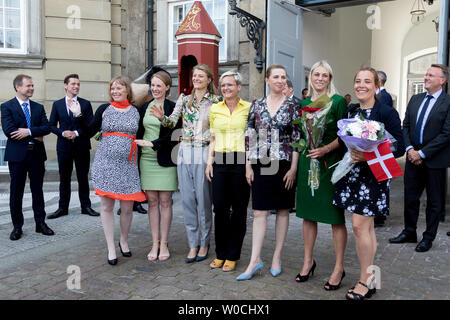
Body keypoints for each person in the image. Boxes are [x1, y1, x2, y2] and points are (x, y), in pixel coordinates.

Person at [333, 68, 405, 300]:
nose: (361, 85)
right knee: (367, 229)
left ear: (376, 85)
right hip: (353, 176)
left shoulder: (386, 112)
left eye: (366, 81)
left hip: (373, 176)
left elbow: (399, 147)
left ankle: (365, 281)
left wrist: (368, 156)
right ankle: (371, 277)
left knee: (358, 226)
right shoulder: (352, 111)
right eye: (357, 81)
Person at [68, 75, 146, 265]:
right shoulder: (104, 109)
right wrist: (78, 115)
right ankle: (111, 247)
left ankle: (123, 241)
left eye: (119, 88)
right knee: (107, 206)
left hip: (128, 165)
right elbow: (88, 131)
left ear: (127, 90)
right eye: (112, 89)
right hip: (106, 163)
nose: (115, 91)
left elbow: (141, 136)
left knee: (127, 207)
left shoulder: (136, 111)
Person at [237, 64, 300, 280]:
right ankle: (255, 260)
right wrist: (247, 165)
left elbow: (296, 140)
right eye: (276, 77)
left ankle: (276, 256)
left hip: (284, 164)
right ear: (267, 80)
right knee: (259, 212)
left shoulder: (294, 106)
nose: (280, 80)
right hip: (261, 162)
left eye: (283, 77)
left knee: (282, 210)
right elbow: (249, 136)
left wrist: (293, 168)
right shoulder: (257, 105)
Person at [151, 64, 218, 263]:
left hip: (204, 152)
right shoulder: (184, 99)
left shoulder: (216, 101)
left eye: (200, 75)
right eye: (194, 75)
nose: (196, 78)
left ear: (208, 79)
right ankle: (192, 244)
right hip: (185, 152)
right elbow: (172, 122)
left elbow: (217, 129)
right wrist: (162, 118)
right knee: (187, 200)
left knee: (204, 201)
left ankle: (205, 243)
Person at [295, 61, 348, 291]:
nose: (320, 78)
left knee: (335, 217)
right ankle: (308, 261)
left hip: (329, 163)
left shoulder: (336, 102)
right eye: (316, 74)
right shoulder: (305, 103)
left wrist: (325, 149)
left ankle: (338, 267)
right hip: (308, 162)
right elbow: (300, 136)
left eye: (325, 75)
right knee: (308, 214)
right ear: (311, 77)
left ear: (330, 78)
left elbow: (345, 135)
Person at [389, 64, 450, 253]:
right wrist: (409, 149)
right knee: (410, 197)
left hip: (435, 160)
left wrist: (422, 153)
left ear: (442, 80)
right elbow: (405, 126)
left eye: (431, 75)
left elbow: (447, 133)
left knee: (434, 201)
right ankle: (409, 231)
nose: (426, 78)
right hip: (412, 157)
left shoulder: (448, 103)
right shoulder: (415, 99)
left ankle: (428, 237)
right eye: (426, 74)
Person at [205, 71, 251, 272]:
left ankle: (233, 255)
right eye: (223, 85)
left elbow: (252, 139)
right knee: (220, 209)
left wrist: (250, 165)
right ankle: (221, 253)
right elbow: (212, 138)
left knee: (239, 210)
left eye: (230, 85)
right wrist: (209, 162)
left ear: (239, 87)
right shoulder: (215, 109)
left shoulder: (249, 108)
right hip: (220, 161)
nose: (226, 89)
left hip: (241, 160)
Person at [1, 74, 54, 241]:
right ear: (18, 87)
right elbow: (9, 130)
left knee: (37, 190)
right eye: (28, 86)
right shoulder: (7, 107)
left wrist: (28, 131)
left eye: (32, 86)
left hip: (37, 156)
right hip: (17, 156)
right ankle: (17, 226)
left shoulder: (38, 107)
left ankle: (40, 223)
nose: (32, 88)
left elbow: (47, 128)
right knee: (17, 192)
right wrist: (34, 134)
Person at [135, 70, 181, 261]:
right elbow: (138, 130)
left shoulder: (173, 107)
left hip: (166, 158)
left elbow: (175, 135)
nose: (155, 89)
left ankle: (164, 243)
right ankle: (154, 243)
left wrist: (155, 143)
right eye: (152, 85)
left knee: (165, 201)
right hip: (146, 158)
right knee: (152, 202)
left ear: (167, 88)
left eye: (159, 86)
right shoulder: (144, 106)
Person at [48, 74, 99, 219]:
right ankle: (62, 208)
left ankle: (86, 206)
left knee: (83, 177)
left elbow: (90, 127)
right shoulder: (57, 104)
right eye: (73, 84)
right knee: (64, 178)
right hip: (64, 147)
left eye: (78, 84)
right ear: (65, 85)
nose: (76, 86)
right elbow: (51, 125)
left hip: (81, 146)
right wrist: (62, 132)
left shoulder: (85, 104)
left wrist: (76, 132)